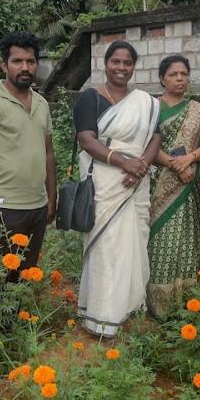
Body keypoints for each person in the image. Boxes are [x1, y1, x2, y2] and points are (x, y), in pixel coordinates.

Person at [73, 41, 161, 336]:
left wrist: (141, 166)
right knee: (106, 246)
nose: (121, 67)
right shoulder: (91, 97)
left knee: (133, 245)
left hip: (136, 182)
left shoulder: (145, 102)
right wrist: (125, 163)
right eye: (116, 61)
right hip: (105, 181)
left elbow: (155, 138)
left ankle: (126, 308)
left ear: (133, 67)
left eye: (127, 63)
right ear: (106, 63)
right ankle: (100, 316)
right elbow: (87, 139)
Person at [0, 32, 56, 275]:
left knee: (26, 278)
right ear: (4, 65)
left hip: (37, 206)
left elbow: (48, 152)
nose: (25, 67)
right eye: (17, 61)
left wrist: (51, 197)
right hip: (3, 208)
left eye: (30, 61)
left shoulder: (41, 103)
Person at [146, 55, 200, 316]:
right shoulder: (151, 108)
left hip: (187, 187)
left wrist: (190, 158)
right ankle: (157, 304)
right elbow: (147, 145)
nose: (179, 79)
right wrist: (177, 165)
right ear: (162, 78)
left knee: (187, 236)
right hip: (159, 183)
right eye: (173, 74)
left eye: (184, 74)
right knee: (159, 237)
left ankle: (185, 300)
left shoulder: (198, 110)